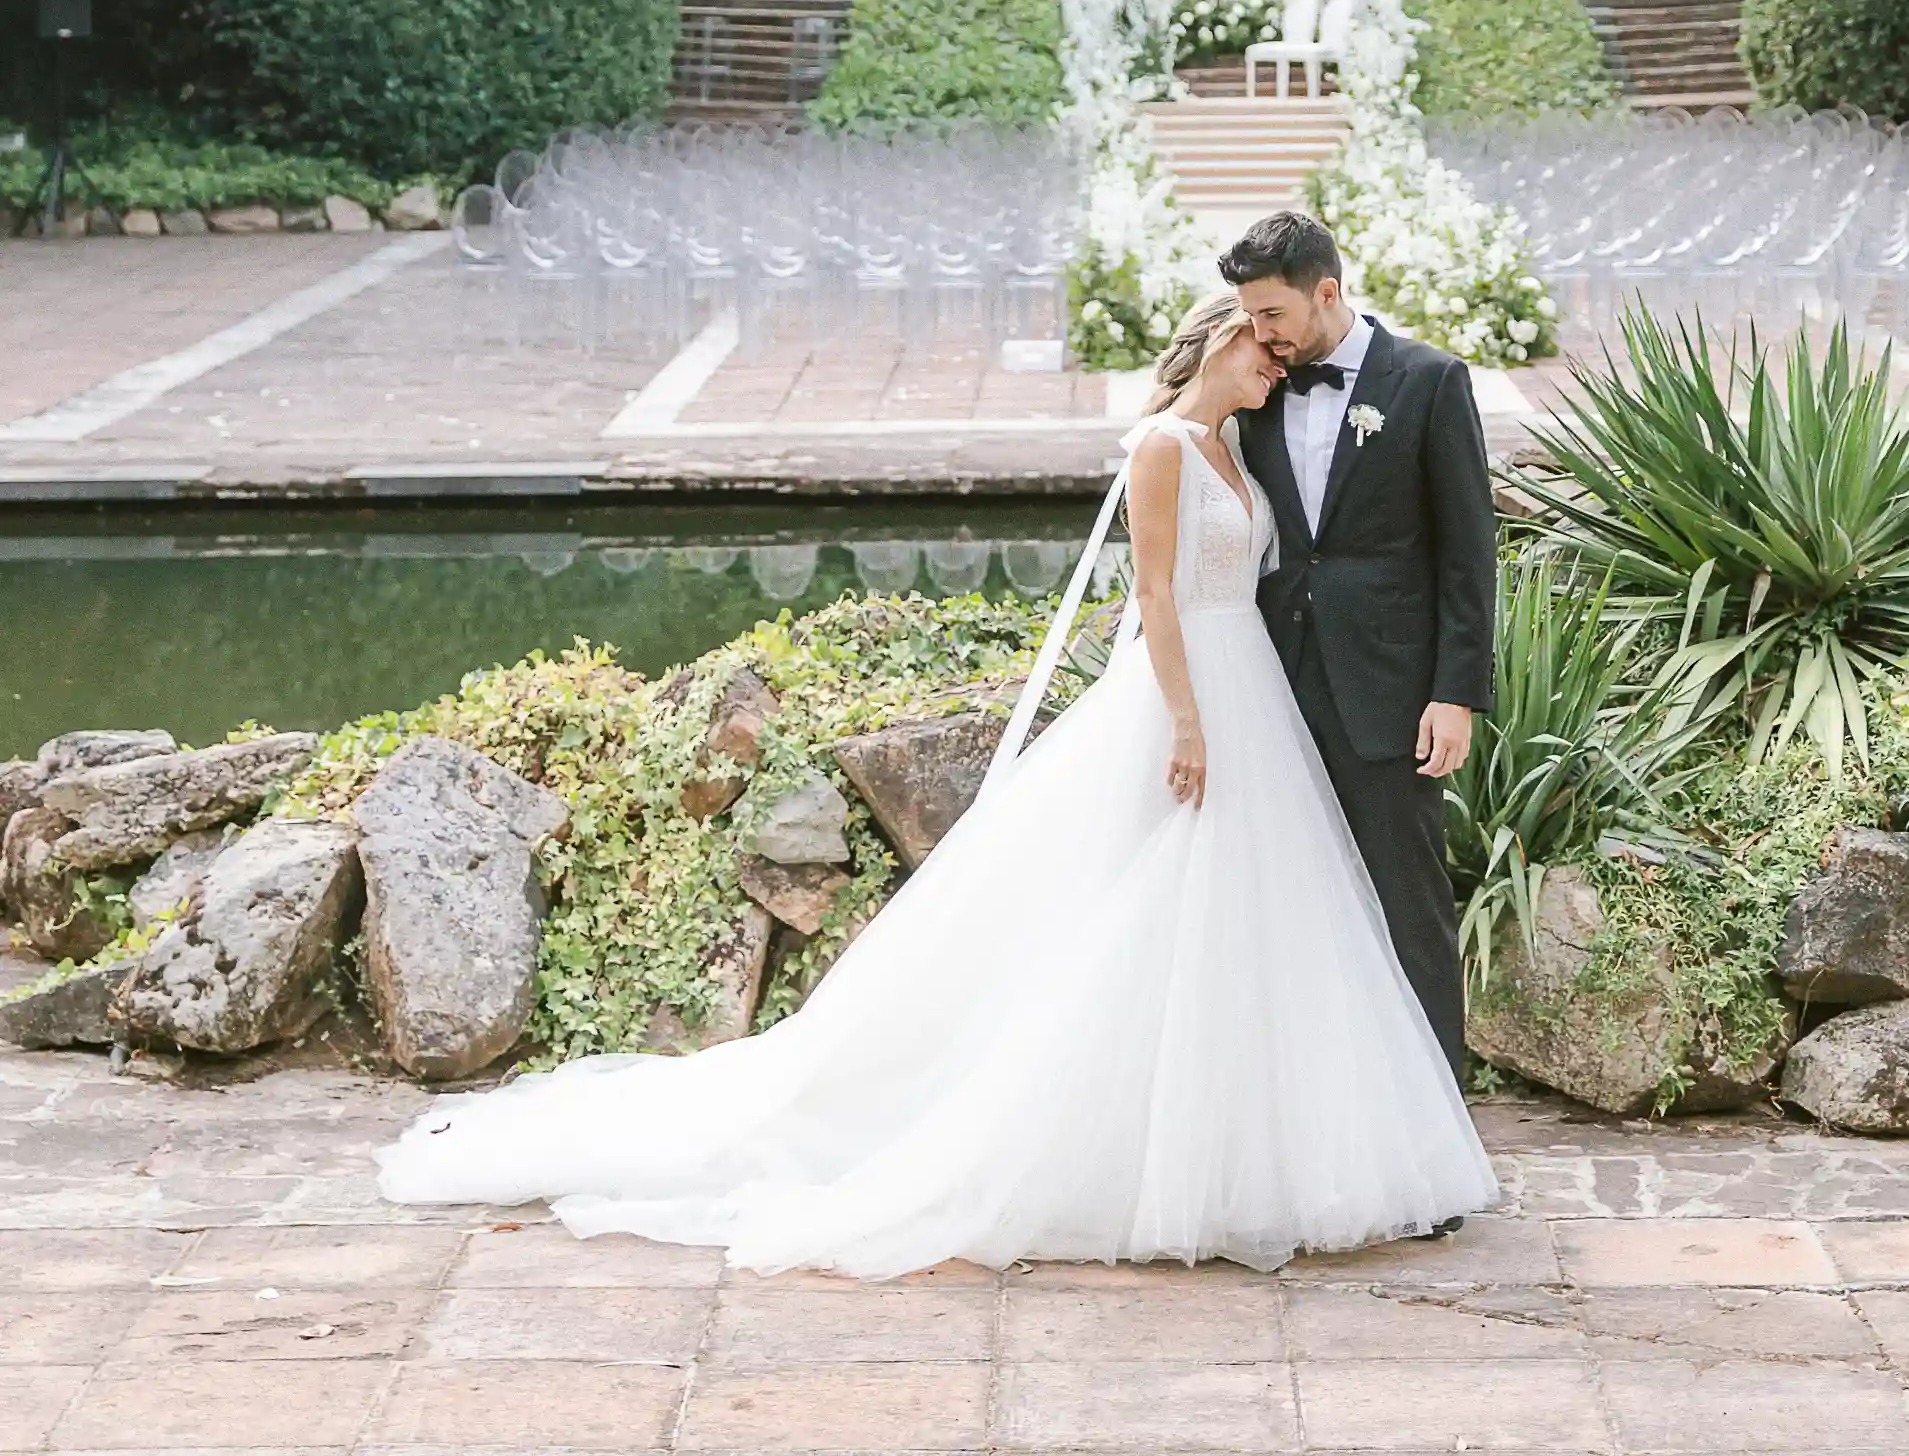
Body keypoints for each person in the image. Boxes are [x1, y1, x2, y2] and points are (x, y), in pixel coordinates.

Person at [375, 289, 1493, 1272]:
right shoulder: (1161, 448)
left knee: (1246, 924)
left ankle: (1252, 1142)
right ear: (1215, 344)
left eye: (1279, 352)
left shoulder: (1237, 451)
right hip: (1188, 702)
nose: (1274, 364)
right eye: (1259, 348)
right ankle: (1127, 1152)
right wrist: (1190, 721)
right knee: (1151, 913)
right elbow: (1153, 599)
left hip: (1260, 698)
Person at [1222, 205, 1497, 1074]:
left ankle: (1439, 1142)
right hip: (1274, 686)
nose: (1259, 333)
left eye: (1272, 314)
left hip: (1388, 696)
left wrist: (1454, 694)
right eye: (1248, 316)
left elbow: (1468, 552)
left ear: (1327, 292)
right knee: (1289, 910)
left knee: (1407, 907)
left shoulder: (1428, 380)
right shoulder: (1258, 385)